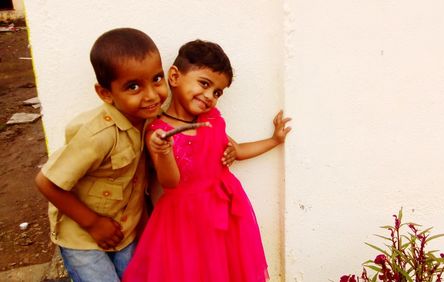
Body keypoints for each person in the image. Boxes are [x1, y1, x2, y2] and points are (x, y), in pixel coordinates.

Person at [123, 39, 292, 282]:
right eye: (204, 84)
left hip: (225, 217)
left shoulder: (212, 120)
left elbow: (238, 150)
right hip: (185, 223)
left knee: (227, 270)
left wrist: (274, 140)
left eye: (217, 92)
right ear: (174, 76)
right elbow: (170, 183)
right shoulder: (158, 132)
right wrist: (164, 152)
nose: (210, 96)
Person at [34, 28, 175, 282]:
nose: (153, 95)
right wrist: (93, 224)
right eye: (133, 86)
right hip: (83, 237)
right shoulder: (99, 134)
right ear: (105, 93)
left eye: (157, 78)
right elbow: (46, 182)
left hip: (124, 231)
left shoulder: (148, 121)